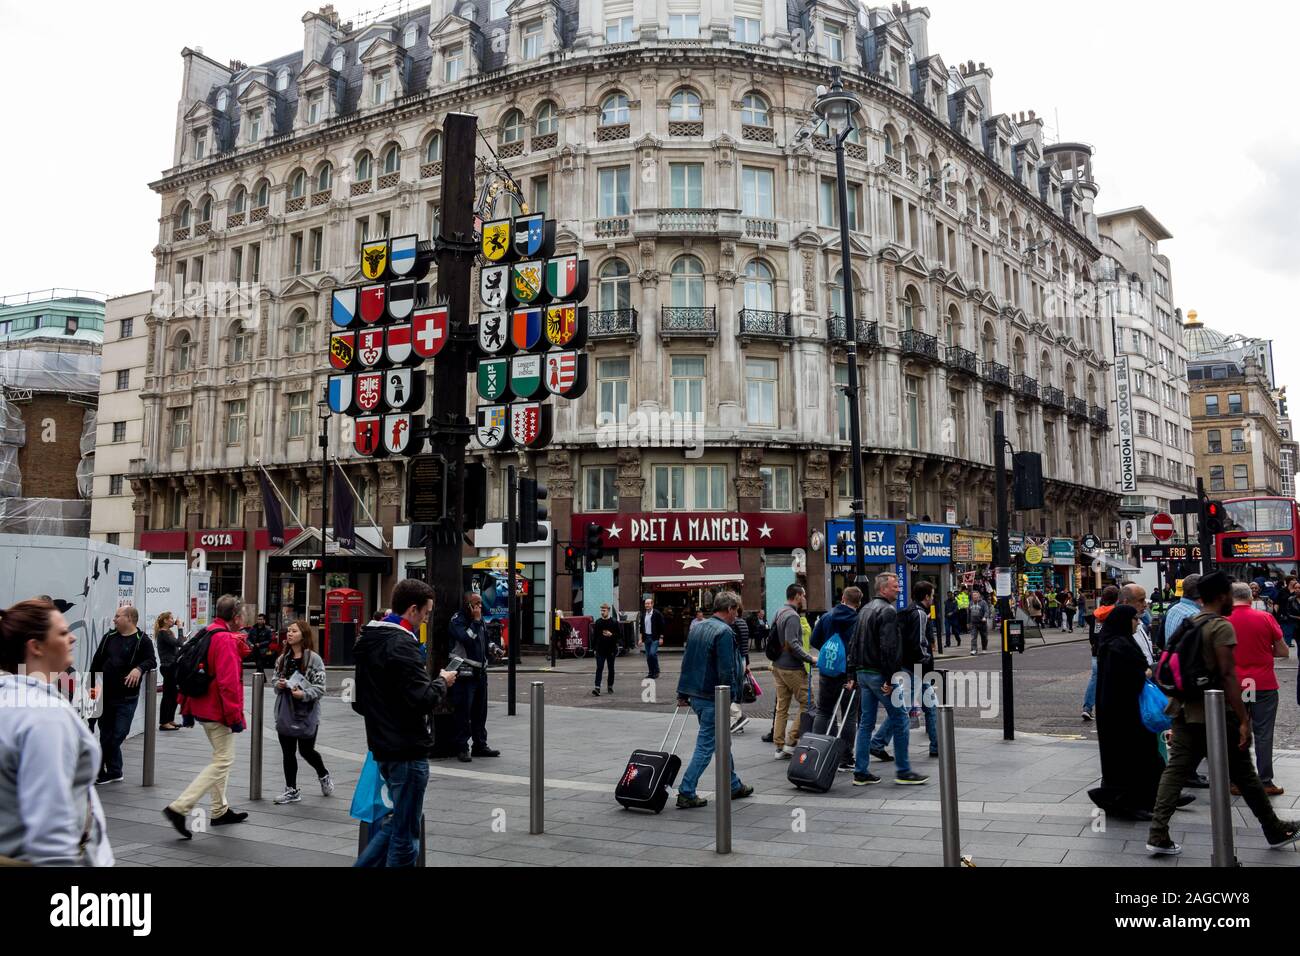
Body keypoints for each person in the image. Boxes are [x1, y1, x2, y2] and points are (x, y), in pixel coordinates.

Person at [1146, 571, 1300, 855]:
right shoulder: (1220, 626)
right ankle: (1274, 829)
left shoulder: (1189, 622)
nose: (1232, 599)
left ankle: (1158, 833)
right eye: (1229, 593)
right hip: (1215, 713)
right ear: (1220, 596)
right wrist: (1243, 719)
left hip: (1184, 709)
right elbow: (1229, 676)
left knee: (1176, 771)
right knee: (1244, 773)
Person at [0, 598, 114, 866]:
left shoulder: (9, 698)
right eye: (62, 633)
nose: (73, 638)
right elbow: (50, 823)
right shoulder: (45, 715)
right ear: (36, 646)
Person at [353, 580, 458, 867]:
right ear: (413, 609)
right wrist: (442, 682)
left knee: (397, 823)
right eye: (426, 612)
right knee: (405, 836)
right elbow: (423, 699)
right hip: (407, 749)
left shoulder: (367, 641)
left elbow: (360, 702)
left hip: (382, 747)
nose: (427, 618)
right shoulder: (402, 645)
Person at [162, 595, 249, 838]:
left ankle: (220, 810)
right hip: (216, 710)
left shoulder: (208, 632)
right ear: (234, 617)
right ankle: (179, 808)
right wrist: (235, 717)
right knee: (222, 761)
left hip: (200, 705)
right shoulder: (224, 640)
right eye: (241, 615)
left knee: (221, 757)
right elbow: (228, 683)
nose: (243, 620)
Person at [1088, 601, 1179, 820]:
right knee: (1132, 758)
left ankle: (1157, 796)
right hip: (1124, 713)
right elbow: (1125, 679)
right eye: (1135, 618)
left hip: (1124, 710)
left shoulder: (1117, 641)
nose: (1138, 621)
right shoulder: (1118, 646)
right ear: (1124, 620)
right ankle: (1129, 802)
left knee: (1145, 755)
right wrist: (1146, 674)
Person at [848, 572, 928, 787]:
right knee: (900, 718)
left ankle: (861, 771)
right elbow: (889, 648)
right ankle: (903, 771)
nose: (899, 589)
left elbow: (853, 644)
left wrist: (852, 673)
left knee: (866, 723)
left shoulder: (864, 609)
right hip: (878, 674)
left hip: (863, 673)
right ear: (883, 589)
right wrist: (891, 679)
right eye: (895, 586)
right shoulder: (888, 611)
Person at [674, 591, 753, 808]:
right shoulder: (724, 632)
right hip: (713, 696)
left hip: (697, 695)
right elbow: (726, 670)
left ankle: (733, 784)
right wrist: (731, 697)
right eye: (736, 611)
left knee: (721, 741)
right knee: (707, 745)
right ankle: (687, 791)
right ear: (729, 609)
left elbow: (687, 662)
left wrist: (682, 693)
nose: (736, 615)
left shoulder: (698, 627)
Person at [1228, 581, 1288, 796]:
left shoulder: (1224, 620)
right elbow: (1283, 652)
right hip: (1262, 682)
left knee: (1237, 731)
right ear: (1251, 598)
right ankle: (1265, 780)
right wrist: (1263, 651)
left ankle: (1236, 781)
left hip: (1236, 683)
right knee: (1264, 733)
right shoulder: (1264, 618)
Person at [869, 581, 940, 762]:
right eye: (932, 595)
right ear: (926, 597)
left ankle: (937, 746)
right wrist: (925, 660)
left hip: (911, 667)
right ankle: (877, 743)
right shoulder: (920, 614)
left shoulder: (907, 612)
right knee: (903, 709)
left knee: (932, 705)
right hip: (915, 668)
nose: (933, 599)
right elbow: (918, 643)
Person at [87, 605, 156, 785]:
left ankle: (98, 766)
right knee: (106, 733)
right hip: (105, 695)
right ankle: (114, 771)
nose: (114, 619)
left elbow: (151, 660)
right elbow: (95, 665)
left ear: (129, 619)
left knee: (118, 734)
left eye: (118, 616)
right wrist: (91, 691)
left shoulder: (142, 640)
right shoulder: (109, 637)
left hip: (127, 698)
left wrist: (139, 669)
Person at [271, 620, 332, 805]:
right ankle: (291, 789)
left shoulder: (314, 659)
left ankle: (323, 774)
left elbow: (320, 688)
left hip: (307, 711)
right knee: (288, 752)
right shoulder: (283, 658)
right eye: (288, 631)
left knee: (306, 751)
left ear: (303, 635)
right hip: (286, 710)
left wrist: (304, 694)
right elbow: (274, 680)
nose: (289, 634)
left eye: (294, 631)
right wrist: (279, 684)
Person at [810, 586, 862, 770]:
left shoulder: (827, 617)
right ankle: (845, 758)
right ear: (859, 602)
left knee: (824, 711)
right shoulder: (858, 620)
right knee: (848, 716)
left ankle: (817, 751)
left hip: (827, 671)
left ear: (842, 598)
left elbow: (814, 641)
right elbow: (860, 650)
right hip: (849, 674)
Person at [448, 592, 498, 762]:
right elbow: (466, 639)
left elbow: (484, 639)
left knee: (480, 712)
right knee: (463, 712)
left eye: (481, 604)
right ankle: (462, 747)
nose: (480, 607)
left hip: (480, 673)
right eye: (476, 604)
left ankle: (480, 745)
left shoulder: (480, 620)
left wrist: (493, 648)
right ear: (467, 605)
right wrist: (476, 621)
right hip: (464, 673)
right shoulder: (457, 620)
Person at [770, 584, 816, 759]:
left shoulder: (779, 612)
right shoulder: (792, 616)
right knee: (808, 702)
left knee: (782, 706)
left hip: (778, 665)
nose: (805, 598)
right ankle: (791, 742)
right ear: (797, 596)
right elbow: (792, 644)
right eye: (803, 595)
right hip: (792, 668)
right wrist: (810, 658)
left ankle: (779, 746)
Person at [1081, 585, 1118, 721]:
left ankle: (1087, 708)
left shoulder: (1096, 614)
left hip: (1096, 652)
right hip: (1110, 653)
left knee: (1095, 679)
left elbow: (1092, 635)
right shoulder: (1116, 613)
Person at [154, 611, 181, 732]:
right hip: (168, 667)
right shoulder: (163, 633)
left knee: (174, 694)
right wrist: (180, 628)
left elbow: (180, 643)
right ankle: (164, 722)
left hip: (173, 666)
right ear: (165, 620)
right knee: (168, 695)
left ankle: (170, 719)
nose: (173, 620)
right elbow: (179, 643)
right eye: (171, 618)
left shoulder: (168, 633)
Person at [590, 603, 620, 697]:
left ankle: (610, 686)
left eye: (604, 610)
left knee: (611, 669)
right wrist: (594, 649)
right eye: (601, 610)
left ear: (608, 611)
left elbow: (619, 636)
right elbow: (594, 637)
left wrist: (611, 635)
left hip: (611, 650)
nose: (602, 612)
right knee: (599, 668)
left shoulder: (614, 622)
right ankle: (597, 688)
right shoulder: (598, 622)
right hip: (600, 650)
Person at [729, 605, 751, 734]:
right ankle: (737, 723)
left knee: (730, 690)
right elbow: (745, 645)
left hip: (735, 659)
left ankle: (738, 718)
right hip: (742, 659)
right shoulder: (743, 623)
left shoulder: (734, 624)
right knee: (737, 691)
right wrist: (747, 663)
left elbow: (734, 644)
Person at [638, 597, 666, 680]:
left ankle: (656, 671)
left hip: (655, 637)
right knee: (648, 656)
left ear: (652, 604)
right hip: (647, 637)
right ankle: (651, 672)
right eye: (646, 604)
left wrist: (661, 638)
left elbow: (662, 626)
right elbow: (641, 628)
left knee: (652, 654)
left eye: (648, 603)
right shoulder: (643, 615)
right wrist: (640, 639)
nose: (647, 605)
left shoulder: (657, 614)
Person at [968, 590, 990, 656]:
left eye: (976, 595)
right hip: (973, 623)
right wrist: (968, 622)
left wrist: (984, 617)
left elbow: (986, 611)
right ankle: (974, 650)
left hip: (982, 623)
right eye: (973, 595)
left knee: (984, 637)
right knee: (973, 637)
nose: (974, 596)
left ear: (978, 596)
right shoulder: (970, 603)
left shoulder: (983, 603)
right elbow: (968, 613)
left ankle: (984, 648)